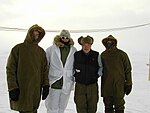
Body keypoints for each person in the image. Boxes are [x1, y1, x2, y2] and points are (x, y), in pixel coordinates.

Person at [6, 24, 50, 113]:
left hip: (35, 90)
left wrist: (45, 85)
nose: (35, 36)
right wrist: (12, 87)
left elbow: (44, 71)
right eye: (34, 33)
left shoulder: (41, 52)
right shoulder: (18, 49)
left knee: (33, 109)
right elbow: (10, 69)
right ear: (29, 34)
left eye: (38, 34)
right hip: (22, 89)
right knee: (25, 109)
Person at [45, 29, 77, 113]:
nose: (65, 39)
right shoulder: (51, 49)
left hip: (67, 82)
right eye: (63, 37)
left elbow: (75, 66)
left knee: (62, 107)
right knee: (52, 107)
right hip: (55, 82)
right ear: (60, 37)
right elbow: (45, 65)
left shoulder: (73, 50)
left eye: (67, 37)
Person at [101, 35, 132, 113]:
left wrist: (129, 83)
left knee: (119, 106)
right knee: (108, 106)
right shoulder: (103, 55)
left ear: (114, 43)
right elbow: (98, 68)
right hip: (106, 86)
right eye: (107, 42)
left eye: (111, 42)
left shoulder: (122, 54)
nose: (109, 43)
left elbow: (128, 70)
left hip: (119, 85)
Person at [74, 35, 103, 113]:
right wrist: (75, 74)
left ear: (91, 45)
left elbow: (101, 67)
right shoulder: (77, 55)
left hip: (92, 85)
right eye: (84, 45)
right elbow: (71, 67)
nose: (86, 46)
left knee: (92, 106)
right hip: (80, 85)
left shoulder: (96, 55)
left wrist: (97, 75)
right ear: (82, 45)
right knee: (80, 106)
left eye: (88, 44)